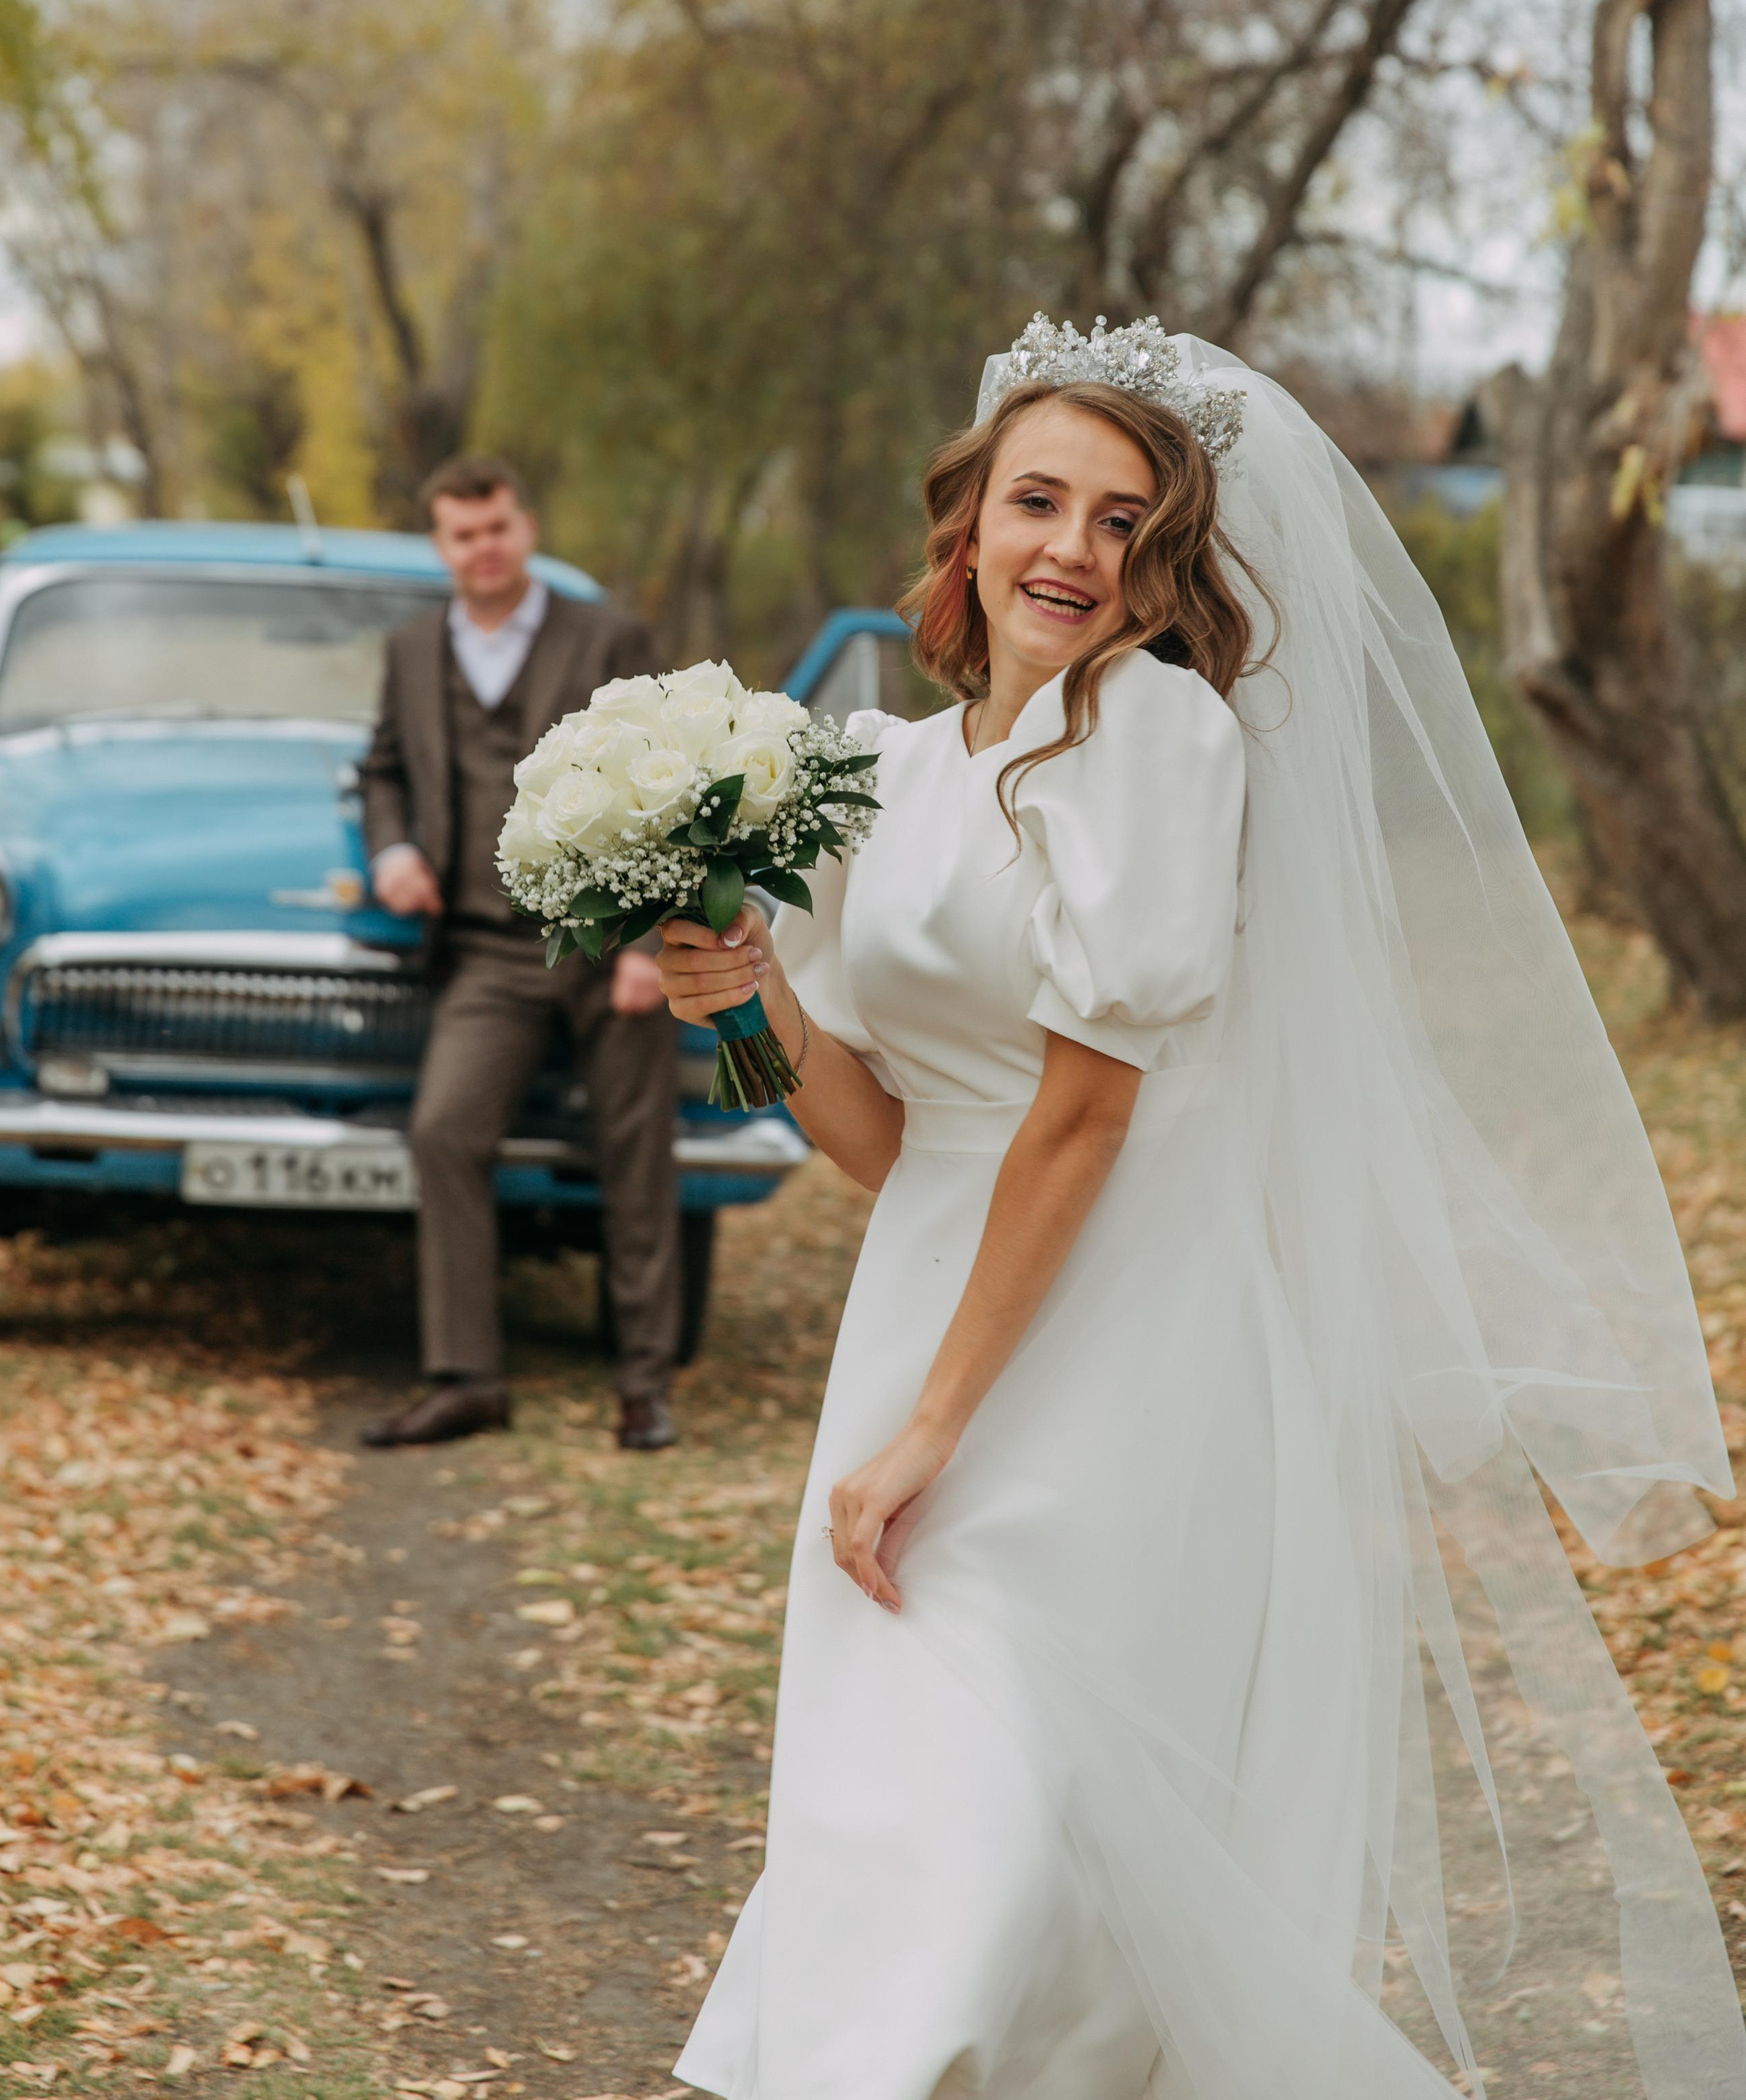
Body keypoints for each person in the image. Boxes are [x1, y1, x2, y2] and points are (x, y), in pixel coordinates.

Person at [658, 316, 1745, 2100]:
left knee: (1017, 1823)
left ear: (1160, 564)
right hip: (930, 1296)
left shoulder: (1155, 740)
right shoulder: (878, 773)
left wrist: (936, 1426)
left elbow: (1082, 1118)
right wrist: (745, 995)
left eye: (1120, 522)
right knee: (901, 1797)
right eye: (1037, 502)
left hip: (1114, 1336)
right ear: (966, 524)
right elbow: (878, 1137)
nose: (1071, 550)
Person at [359, 453, 681, 1453]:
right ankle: (468, 1379)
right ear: (441, 546)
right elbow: (381, 769)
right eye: (464, 534)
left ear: (525, 528)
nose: (484, 548)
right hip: (489, 949)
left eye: (497, 527)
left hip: (610, 939)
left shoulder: (608, 635)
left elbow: (669, 776)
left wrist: (650, 941)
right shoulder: (413, 650)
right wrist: (393, 849)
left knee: (635, 1158)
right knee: (444, 1133)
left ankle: (644, 1386)